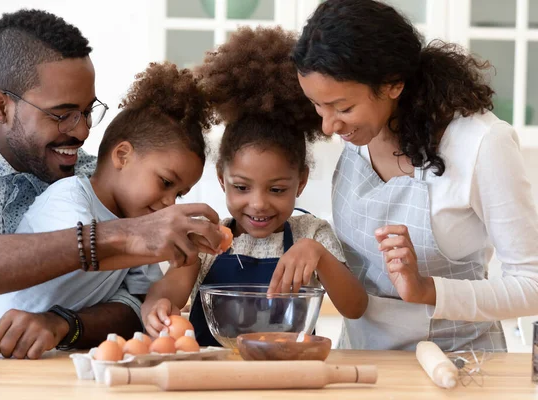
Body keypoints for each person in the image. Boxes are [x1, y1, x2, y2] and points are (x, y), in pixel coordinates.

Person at [0, 9, 222, 358]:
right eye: (62, 114)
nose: (83, 132)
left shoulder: (91, 174)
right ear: (1, 107)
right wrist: (130, 234)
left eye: (88, 111)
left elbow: (132, 303)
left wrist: (64, 324)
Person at [293, 0, 538, 352]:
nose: (329, 125)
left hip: (460, 367)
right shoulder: (359, 133)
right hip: (363, 362)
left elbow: (532, 285)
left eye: (343, 108)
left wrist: (427, 289)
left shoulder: (481, 144)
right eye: (318, 105)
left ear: (393, 85)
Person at [141, 27, 368, 346]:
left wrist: (319, 256)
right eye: (242, 187)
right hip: (214, 376)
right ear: (222, 178)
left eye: (276, 190)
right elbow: (169, 292)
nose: (259, 204)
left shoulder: (311, 235)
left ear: (300, 181)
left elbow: (355, 307)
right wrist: (157, 306)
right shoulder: (209, 238)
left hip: (287, 377)